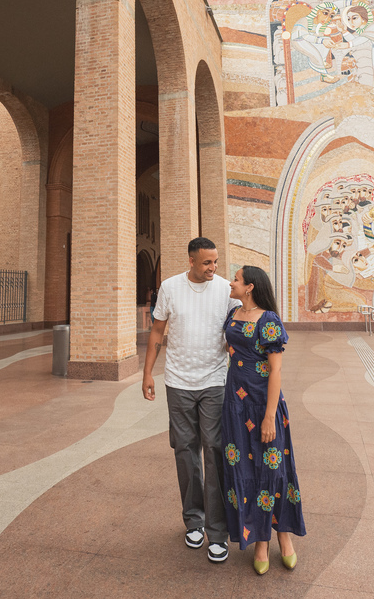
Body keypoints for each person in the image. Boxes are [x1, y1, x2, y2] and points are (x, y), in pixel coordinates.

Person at [143, 237, 241, 563]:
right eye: (206, 263)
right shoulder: (170, 287)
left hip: (214, 382)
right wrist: (148, 374)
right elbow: (157, 332)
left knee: (214, 450)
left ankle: (217, 530)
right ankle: (194, 520)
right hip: (178, 382)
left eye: (215, 261)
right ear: (191, 260)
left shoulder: (225, 289)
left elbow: (241, 325)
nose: (213, 268)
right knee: (185, 451)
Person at [221, 265, 305, 573]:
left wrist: (270, 416)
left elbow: (276, 371)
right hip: (235, 405)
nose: (232, 283)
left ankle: (282, 537)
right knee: (242, 468)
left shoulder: (269, 320)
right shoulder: (232, 315)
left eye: (237, 279)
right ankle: (259, 539)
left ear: (251, 287)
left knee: (274, 471)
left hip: (262, 405)